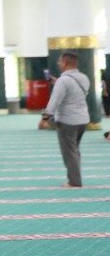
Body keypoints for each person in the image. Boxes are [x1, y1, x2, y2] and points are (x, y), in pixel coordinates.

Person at [43, 50, 91, 187]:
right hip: (82, 119)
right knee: (74, 150)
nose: (58, 63)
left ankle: (74, 182)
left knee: (69, 152)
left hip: (67, 121)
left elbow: (55, 100)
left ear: (65, 62)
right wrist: (57, 82)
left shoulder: (63, 81)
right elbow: (74, 92)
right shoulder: (83, 78)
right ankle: (75, 177)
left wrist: (45, 117)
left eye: (59, 61)